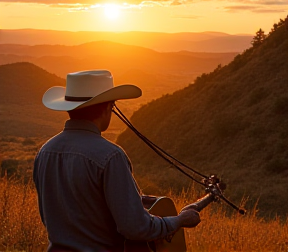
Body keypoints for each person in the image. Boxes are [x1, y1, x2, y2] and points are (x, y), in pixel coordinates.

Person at [33, 70, 201, 252]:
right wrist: (179, 221)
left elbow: (48, 217)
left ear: (69, 108)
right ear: (108, 108)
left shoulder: (45, 152)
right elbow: (136, 227)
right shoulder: (111, 156)